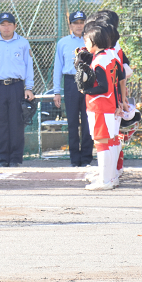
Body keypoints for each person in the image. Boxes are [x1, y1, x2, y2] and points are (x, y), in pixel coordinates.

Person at [0, 12, 34, 167]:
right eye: (3, 24)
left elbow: (29, 67)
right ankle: (3, 158)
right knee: (0, 123)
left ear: (15, 26)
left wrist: (28, 88)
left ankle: (16, 158)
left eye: (9, 24)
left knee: (17, 123)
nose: (6, 27)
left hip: (17, 87)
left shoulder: (23, 43)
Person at [79, 24, 120, 191]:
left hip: (100, 105)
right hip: (109, 104)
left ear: (94, 41)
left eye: (87, 40)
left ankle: (105, 180)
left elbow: (103, 86)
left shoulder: (99, 61)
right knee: (109, 142)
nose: (85, 43)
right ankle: (111, 177)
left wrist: (85, 90)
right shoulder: (111, 55)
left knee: (101, 143)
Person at [53, 11, 93, 167]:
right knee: (72, 122)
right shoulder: (63, 43)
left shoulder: (91, 41)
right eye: (75, 23)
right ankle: (75, 158)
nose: (79, 26)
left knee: (88, 121)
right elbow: (58, 68)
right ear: (70, 25)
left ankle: (87, 157)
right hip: (71, 82)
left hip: (89, 82)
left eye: (82, 22)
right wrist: (57, 91)